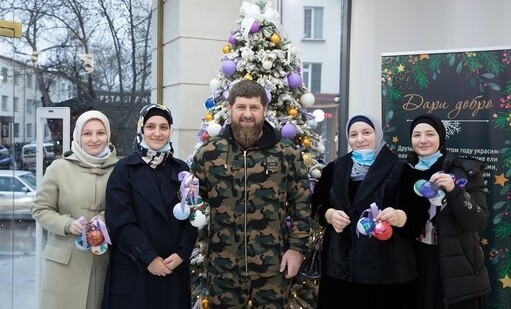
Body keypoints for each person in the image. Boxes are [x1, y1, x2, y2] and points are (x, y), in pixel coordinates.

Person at [190, 80, 311, 308]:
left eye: (254, 107)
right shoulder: (209, 154)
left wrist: (296, 249)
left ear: (265, 109)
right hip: (223, 267)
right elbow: (193, 203)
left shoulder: (286, 153)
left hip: (272, 267)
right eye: (241, 107)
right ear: (229, 109)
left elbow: (302, 204)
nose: (247, 114)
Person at [310, 114, 428, 309]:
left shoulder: (401, 170)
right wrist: (329, 215)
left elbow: (418, 213)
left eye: (366, 132)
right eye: (354, 134)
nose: (360, 139)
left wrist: (399, 217)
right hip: (340, 272)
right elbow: (316, 204)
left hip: (386, 275)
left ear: (378, 134)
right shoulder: (334, 169)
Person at [101, 103, 198, 309]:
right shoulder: (124, 169)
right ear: (141, 129)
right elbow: (120, 221)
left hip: (173, 270)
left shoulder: (181, 169)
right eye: (151, 127)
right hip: (135, 269)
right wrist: (149, 258)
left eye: (163, 127)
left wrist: (182, 253)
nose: (157, 133)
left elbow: (192, 214)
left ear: (170, 131)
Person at [400, 114, 490, 308]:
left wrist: (454, 190)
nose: (423, 140)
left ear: (441, 137)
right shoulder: (403, 173)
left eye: (429, 134)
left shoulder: (464, 171)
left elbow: (479, 221)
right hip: (417, 264)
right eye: (416, 135)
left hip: (458, 271)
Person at [32, 110, 118, 309]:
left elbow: (125, 206)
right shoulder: (58, 168)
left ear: (109, 135)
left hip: (103, 263)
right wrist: (68, 224)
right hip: (64, 265)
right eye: (87, 133)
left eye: (100, 133)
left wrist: (105, 218)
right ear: (77, 135)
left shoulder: (119, 169)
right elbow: (40, 209)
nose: (94, 139)